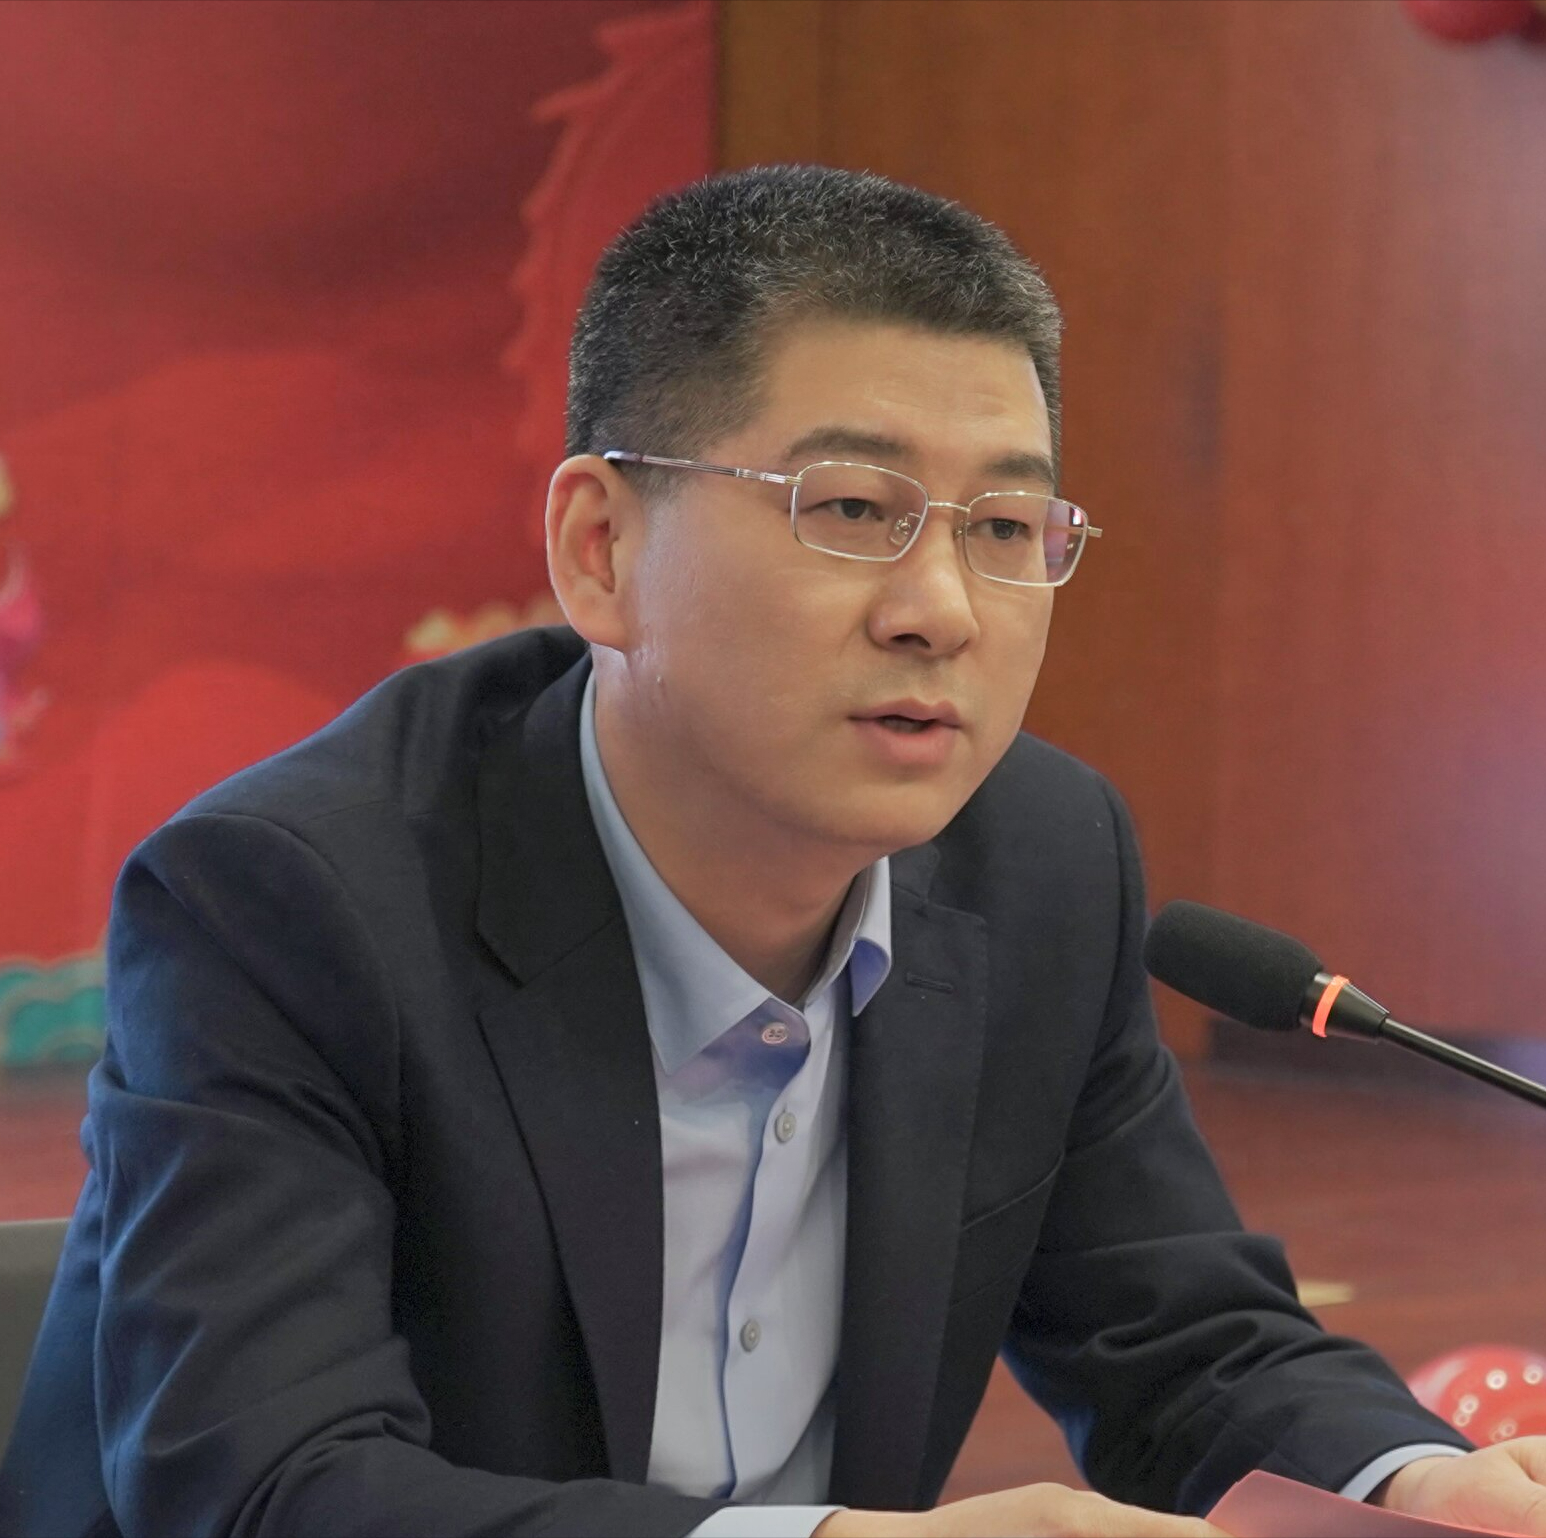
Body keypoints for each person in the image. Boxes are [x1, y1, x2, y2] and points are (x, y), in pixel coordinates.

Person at [2, 165, 1542, 1538]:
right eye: (853, 508)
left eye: (1006, 528)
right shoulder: (290, 900)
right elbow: (266, 1488)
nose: (940, 608)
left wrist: (1419, 1480)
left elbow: (1182, 1336)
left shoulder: (1040, 861)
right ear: (600, 549)